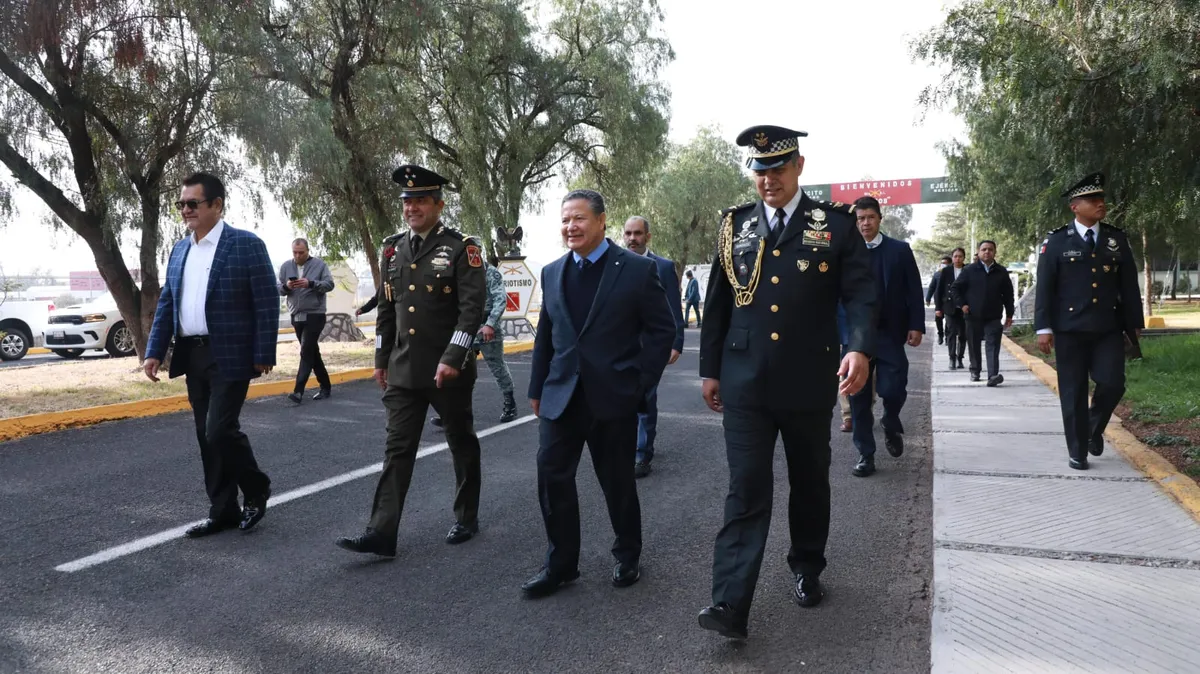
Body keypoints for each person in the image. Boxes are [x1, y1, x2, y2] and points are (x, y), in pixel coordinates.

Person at [697, 125, 875, 639]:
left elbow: (861, 295)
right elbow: (718, 306)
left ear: (799, 166)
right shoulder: (735, 227)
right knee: (746, 488)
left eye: (776, 168)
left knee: (809, 481)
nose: (767, 179)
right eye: (759, 170)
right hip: (745, 381)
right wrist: (710, 369)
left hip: (806, 379)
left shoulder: (834, 225)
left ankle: (807, 566)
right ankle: (730, 604)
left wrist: (859, 346)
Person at [522, 189, 675, 599]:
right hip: (561, 396)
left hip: (614, 397)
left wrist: (640, 382)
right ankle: (561, 563)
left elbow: (663, 331)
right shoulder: (553, 272)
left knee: (617, 482)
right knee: (552, 477)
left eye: (579, 219)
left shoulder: (637, 271)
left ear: (602, 221)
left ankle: (627, 554)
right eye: (565, 220)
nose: (570, 227)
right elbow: (547, 337)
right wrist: (537, 388)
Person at [336, 164, 487, 556]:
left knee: (461, 442)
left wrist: (454, 356)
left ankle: (466, 516)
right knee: (397, 449)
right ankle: (382, 532)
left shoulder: (461, 247)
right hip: (404, 369)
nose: (411, 208)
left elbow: (471, 311)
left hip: (447, 371)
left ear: (438, 204)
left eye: (420, 200)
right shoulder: (392, 249)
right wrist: (381, 358)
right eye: (407, 202)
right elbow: (388, 310)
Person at [143, 172, 278, 538]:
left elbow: (266, 302)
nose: (186, 210)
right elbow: (168, 303)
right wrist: (154, 352)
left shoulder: (245, 245)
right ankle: (223, 510)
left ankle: (256, 487)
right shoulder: (180, 249)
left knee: (219, 429)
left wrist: (264, 350)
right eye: (181, 204)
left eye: (193, 203)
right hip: (193, 354)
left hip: (231, 353)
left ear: (216, 205)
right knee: (205, 436)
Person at [1035, 172, 1142, 470]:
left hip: (1107, 327)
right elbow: (1045, 287)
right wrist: (1043, 328)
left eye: (1102, 199)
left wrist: (1135, 324)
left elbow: (1129, 285)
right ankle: (1077, 451)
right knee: (1073, 391)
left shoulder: (1115, 239)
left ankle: (1093, 428)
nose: (1100, 204)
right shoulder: (1056, 242)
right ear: (1075, 206)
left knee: (1112, 383)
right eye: (1093, 199)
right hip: (1069, 331)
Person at [847, 195, 924, 478]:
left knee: (893, 388)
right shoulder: (846, 252)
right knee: (857, 395)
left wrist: (916, 324)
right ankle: (865, 454)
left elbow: (913, 290)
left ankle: (891, 420)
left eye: (869, 217)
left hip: (889, 333)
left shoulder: (899, 250)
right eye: (860, 219)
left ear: (880, 218)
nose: (864, 223)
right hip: (856, 337)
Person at [622, 215, 685, 478]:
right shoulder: (615, 264)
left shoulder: (664, 266)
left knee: (646, 397)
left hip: (652, 347)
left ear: (647, 236)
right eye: (628, 233)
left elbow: (673, 307)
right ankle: (628, 447)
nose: (632, 238)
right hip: (621, 347)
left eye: (638, 233)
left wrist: (676, 342)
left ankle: (641, 455)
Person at [432, 249, 518, 426]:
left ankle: (510, 404)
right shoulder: (459, 271)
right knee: (454, 366)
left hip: (486, 327)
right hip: (464, 326)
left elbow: (501, 299)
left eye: (473, 253)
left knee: (497, 366)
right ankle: (451, 411)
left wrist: (490, 324)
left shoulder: (490, 272)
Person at [278, 238, 335, 403]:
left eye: (301, 252)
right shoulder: (285, 266)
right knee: (311, 352)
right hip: (296, 315)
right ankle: (325, 386)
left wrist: (310, 283)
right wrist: (287, 286)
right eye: (294, 252)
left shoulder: (320, 265)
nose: (297, 256)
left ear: (308, 251)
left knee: (305, 350)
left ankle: (298, 391)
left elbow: (329, 285)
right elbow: (278, 288)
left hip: (315, 314)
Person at [953, 240, 1015, 386]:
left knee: (993, 345)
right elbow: (955, 289)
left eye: (990, 249)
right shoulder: (969, 270)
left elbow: (1008, 295)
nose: (987, 252)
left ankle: (993, 375)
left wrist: (1010, 314)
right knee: (974, 345)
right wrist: (962, 305)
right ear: (978, 252)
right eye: (984, 249)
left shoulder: (1001, 271)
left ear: (995, 252)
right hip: (973, 315)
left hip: (993, 316)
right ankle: (975, 371)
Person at [934, 247, 968, 370]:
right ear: (952, 258)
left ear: (964, 258)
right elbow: (939, 290)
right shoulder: (946, 271)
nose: (957, 259)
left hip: (965, 307)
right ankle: (952, 358)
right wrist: (938, 308)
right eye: (955, 256)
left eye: (960, 256)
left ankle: (960, 358)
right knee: (951, 333)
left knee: (963, 334)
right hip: (949, 307)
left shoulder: (968, 270)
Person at [926, 256, 951, 345]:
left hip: (949, 301)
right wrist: (928, 298)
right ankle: (940, 334)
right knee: (938, 319)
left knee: (949, 319)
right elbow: (932, 287)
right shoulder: (937, 274)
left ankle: (948, 336)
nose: (943, 265)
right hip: (939, 300)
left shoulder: (952, 273)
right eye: (942, 263)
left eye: (945, 263)